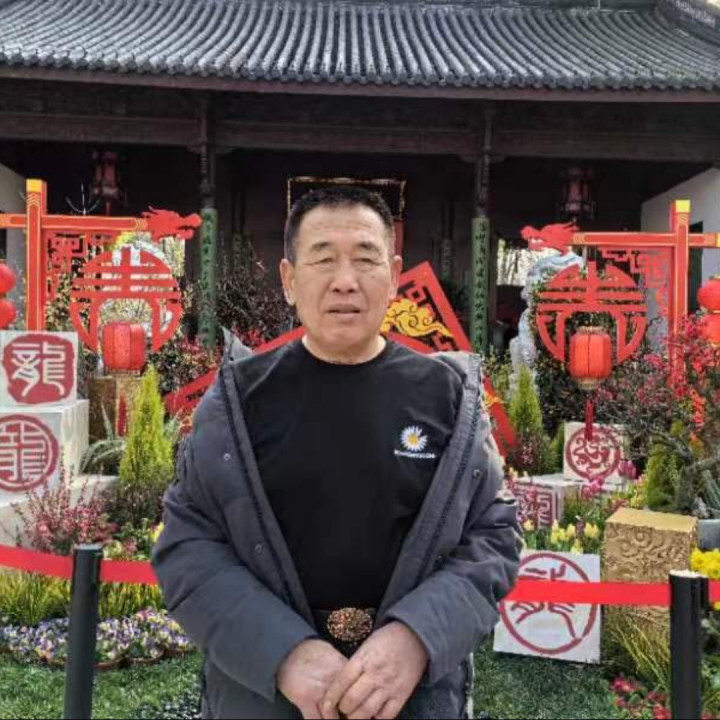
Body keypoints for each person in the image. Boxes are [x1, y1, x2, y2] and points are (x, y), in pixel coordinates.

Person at [153, 186, 521, 720]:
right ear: (288, 279)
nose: (345, 280)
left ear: (393, 276)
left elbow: (493, 534)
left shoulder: (448, 398)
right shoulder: (238, 401)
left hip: (412, 697)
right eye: (323, 259)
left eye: (365, 259)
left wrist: (417, 637)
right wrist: (282, 651)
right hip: (265, 699)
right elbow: (188, 543)